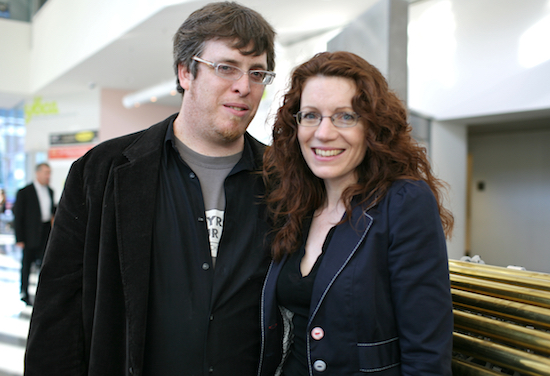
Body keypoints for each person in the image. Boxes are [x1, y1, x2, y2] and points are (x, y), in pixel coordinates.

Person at [24, 2, 276, 375]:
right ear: (185, 72)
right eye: (225, 68)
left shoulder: (283, 179)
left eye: (257, 73)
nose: (244, 86)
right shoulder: (103, 171)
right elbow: (58, 310)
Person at [259, 51, 454, 376]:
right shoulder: (297, 204)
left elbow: (427, 353)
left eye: (345, 116)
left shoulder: (403, 202)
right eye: (310, 115)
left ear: (372, 127)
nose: (323, 133)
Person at [14, 163, 55, 306]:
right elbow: (18, 217)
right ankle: (24, 292)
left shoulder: (50, 191)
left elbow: (51, 212)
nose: (48, 176)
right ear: (37, 173)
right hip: (29, 234)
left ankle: (43, 293)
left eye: (49, 173)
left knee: (45, 264)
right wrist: (19, 238)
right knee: (26, 265)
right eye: (45, 172)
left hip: (45, 233)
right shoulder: (24, 192)